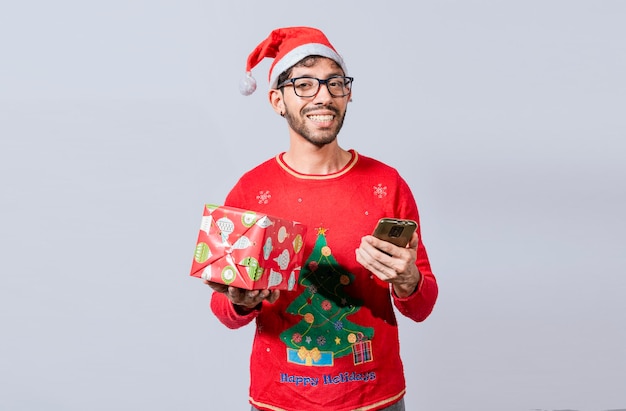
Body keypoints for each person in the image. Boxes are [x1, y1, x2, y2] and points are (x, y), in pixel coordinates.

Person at [206, 26, 438, 411]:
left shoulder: (388, 184)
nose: (324, 96)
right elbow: (226, 315)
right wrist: (240, 301)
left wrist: (408, 280)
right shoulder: (251, 190)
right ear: (277, 100)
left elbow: (422, 306)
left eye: (335, 83)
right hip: (279, 401)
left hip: (375, 400)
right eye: (304, 85)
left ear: (348, 94)